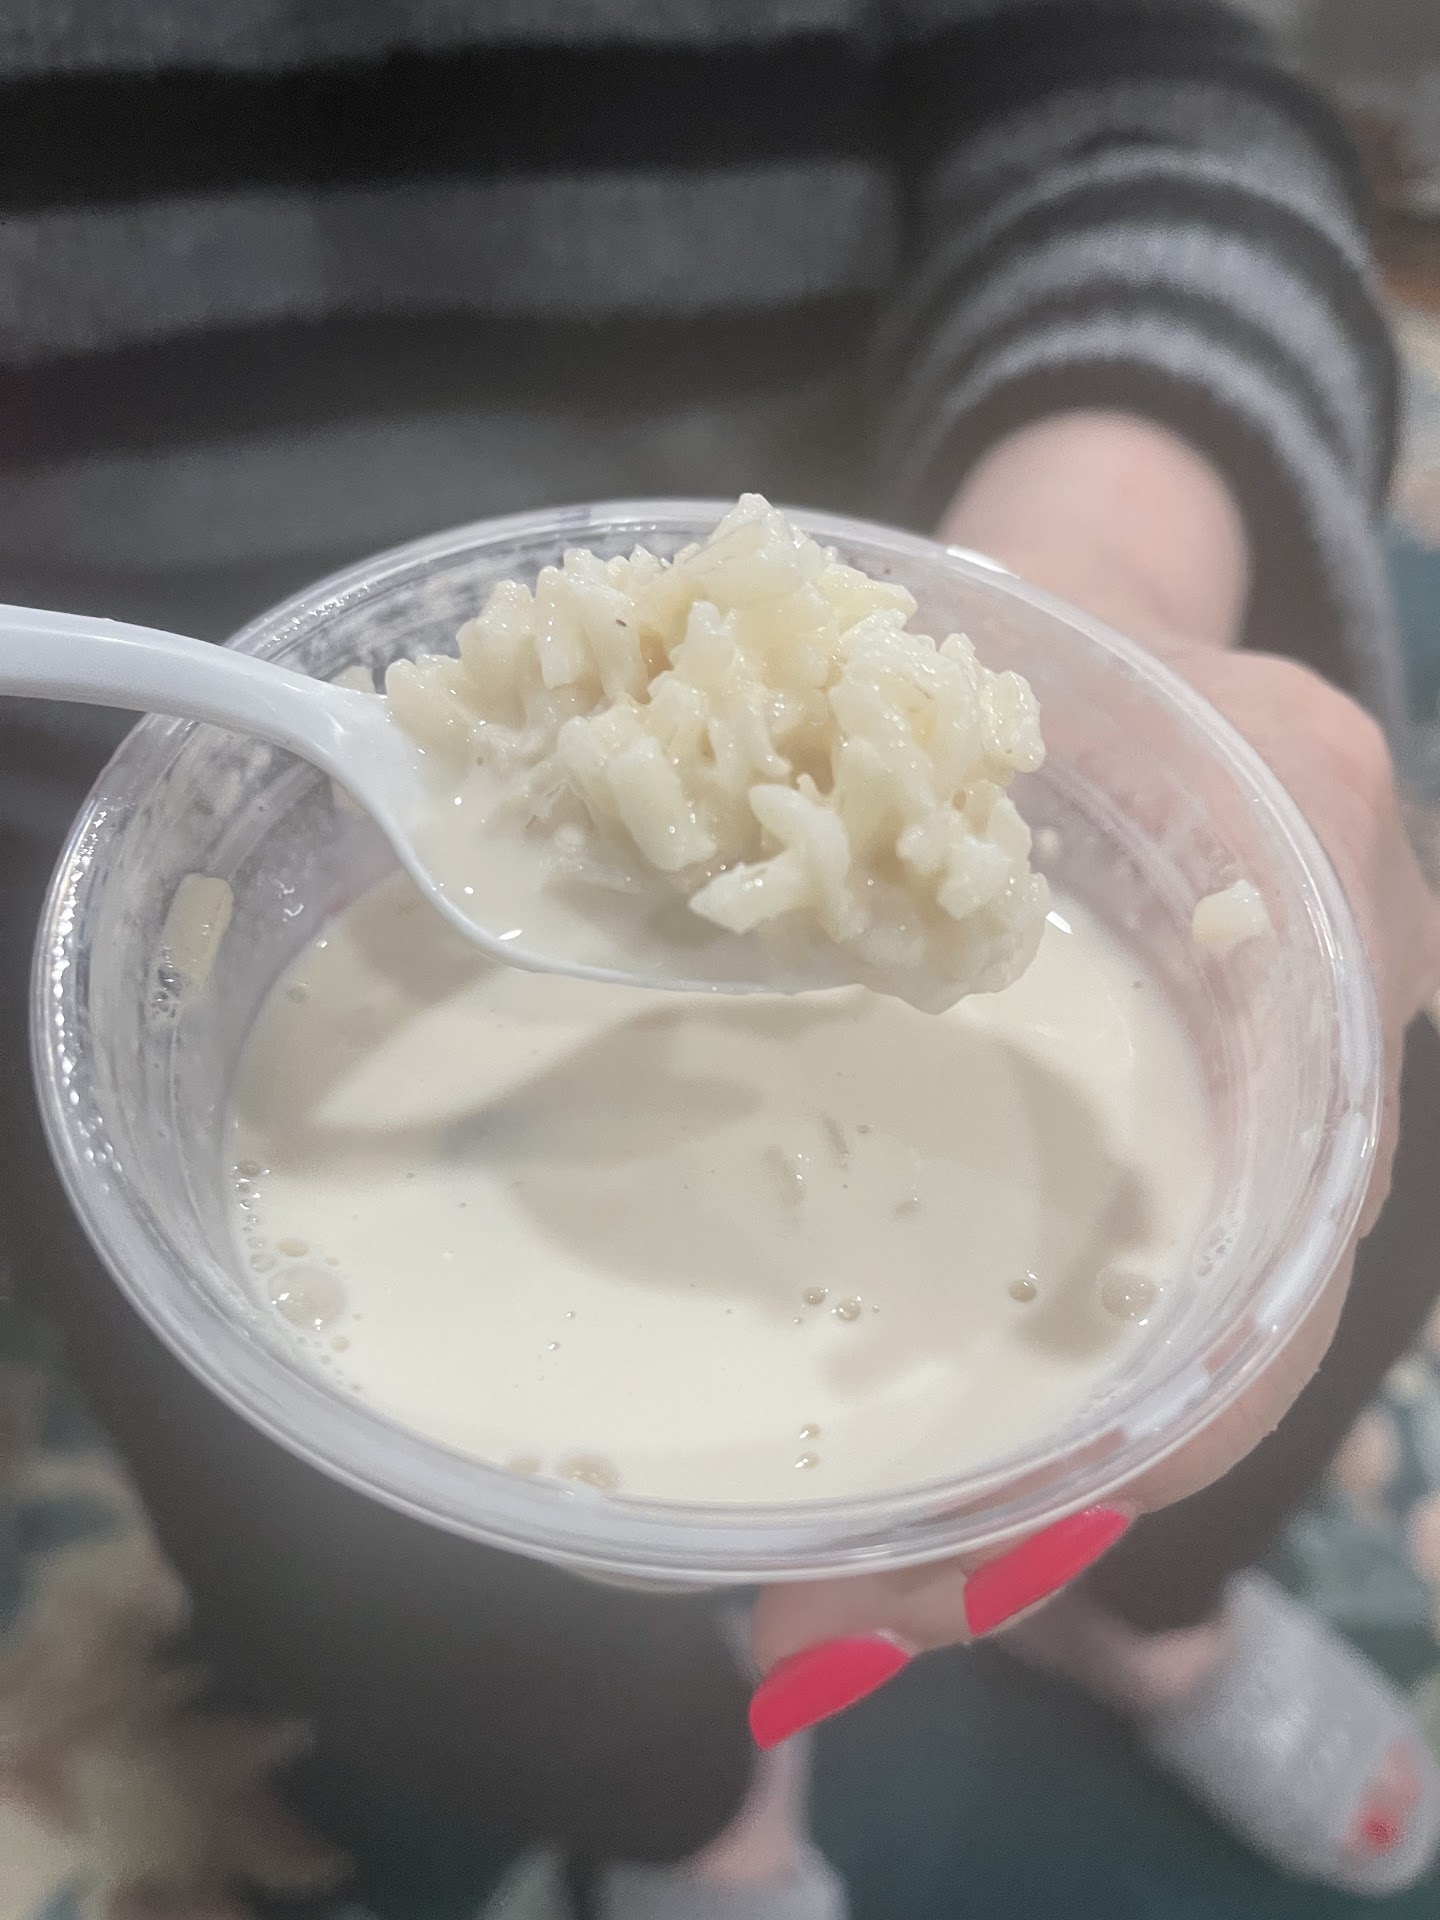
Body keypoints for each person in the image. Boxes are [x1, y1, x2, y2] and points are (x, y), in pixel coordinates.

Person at [2, 1, 1439, 1912]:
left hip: (892, 586)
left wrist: (1094, 612)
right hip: (95, 771)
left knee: (1333, 1231)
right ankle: (703, 1828)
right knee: (375, 1598)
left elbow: (1137, 96)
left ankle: (1140, 1615)